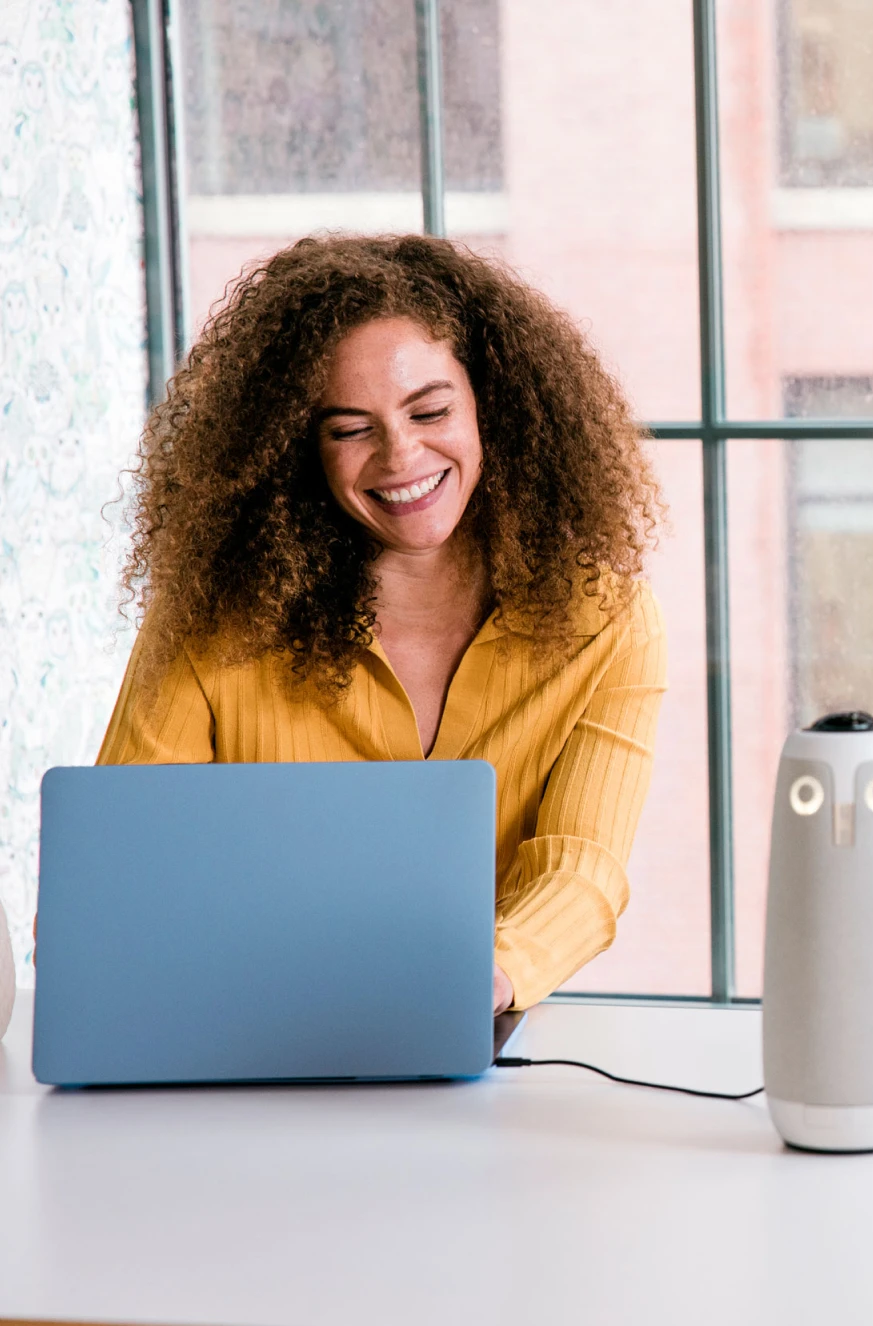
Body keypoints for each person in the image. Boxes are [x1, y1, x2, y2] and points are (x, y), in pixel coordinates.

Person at [98, 234, 666, 1017]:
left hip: (463, 1027)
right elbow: (128, 856)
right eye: (349, 429)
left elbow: (582, 868)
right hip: (236, 1021)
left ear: (490, 407)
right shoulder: (211, 619)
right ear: (298, 449)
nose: (401, 456)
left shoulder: (607, 620)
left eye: (430, 410)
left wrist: (484, 978)